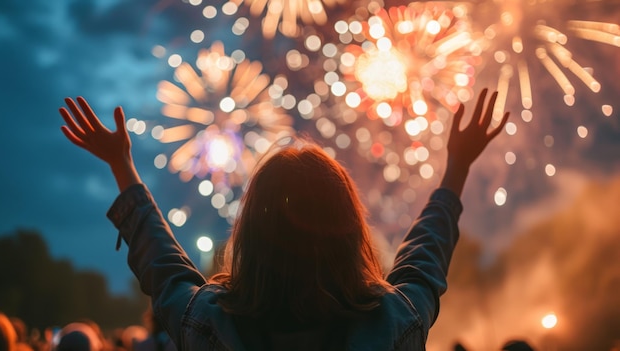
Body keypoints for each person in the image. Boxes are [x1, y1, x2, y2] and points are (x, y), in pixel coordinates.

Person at [58, 88, 509, 350]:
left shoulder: (210, 324)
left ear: (250, 235)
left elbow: (163, 265)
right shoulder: (394, 322)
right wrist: (456, 168)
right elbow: (424, 256)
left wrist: (122, 166)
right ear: (351, 231)